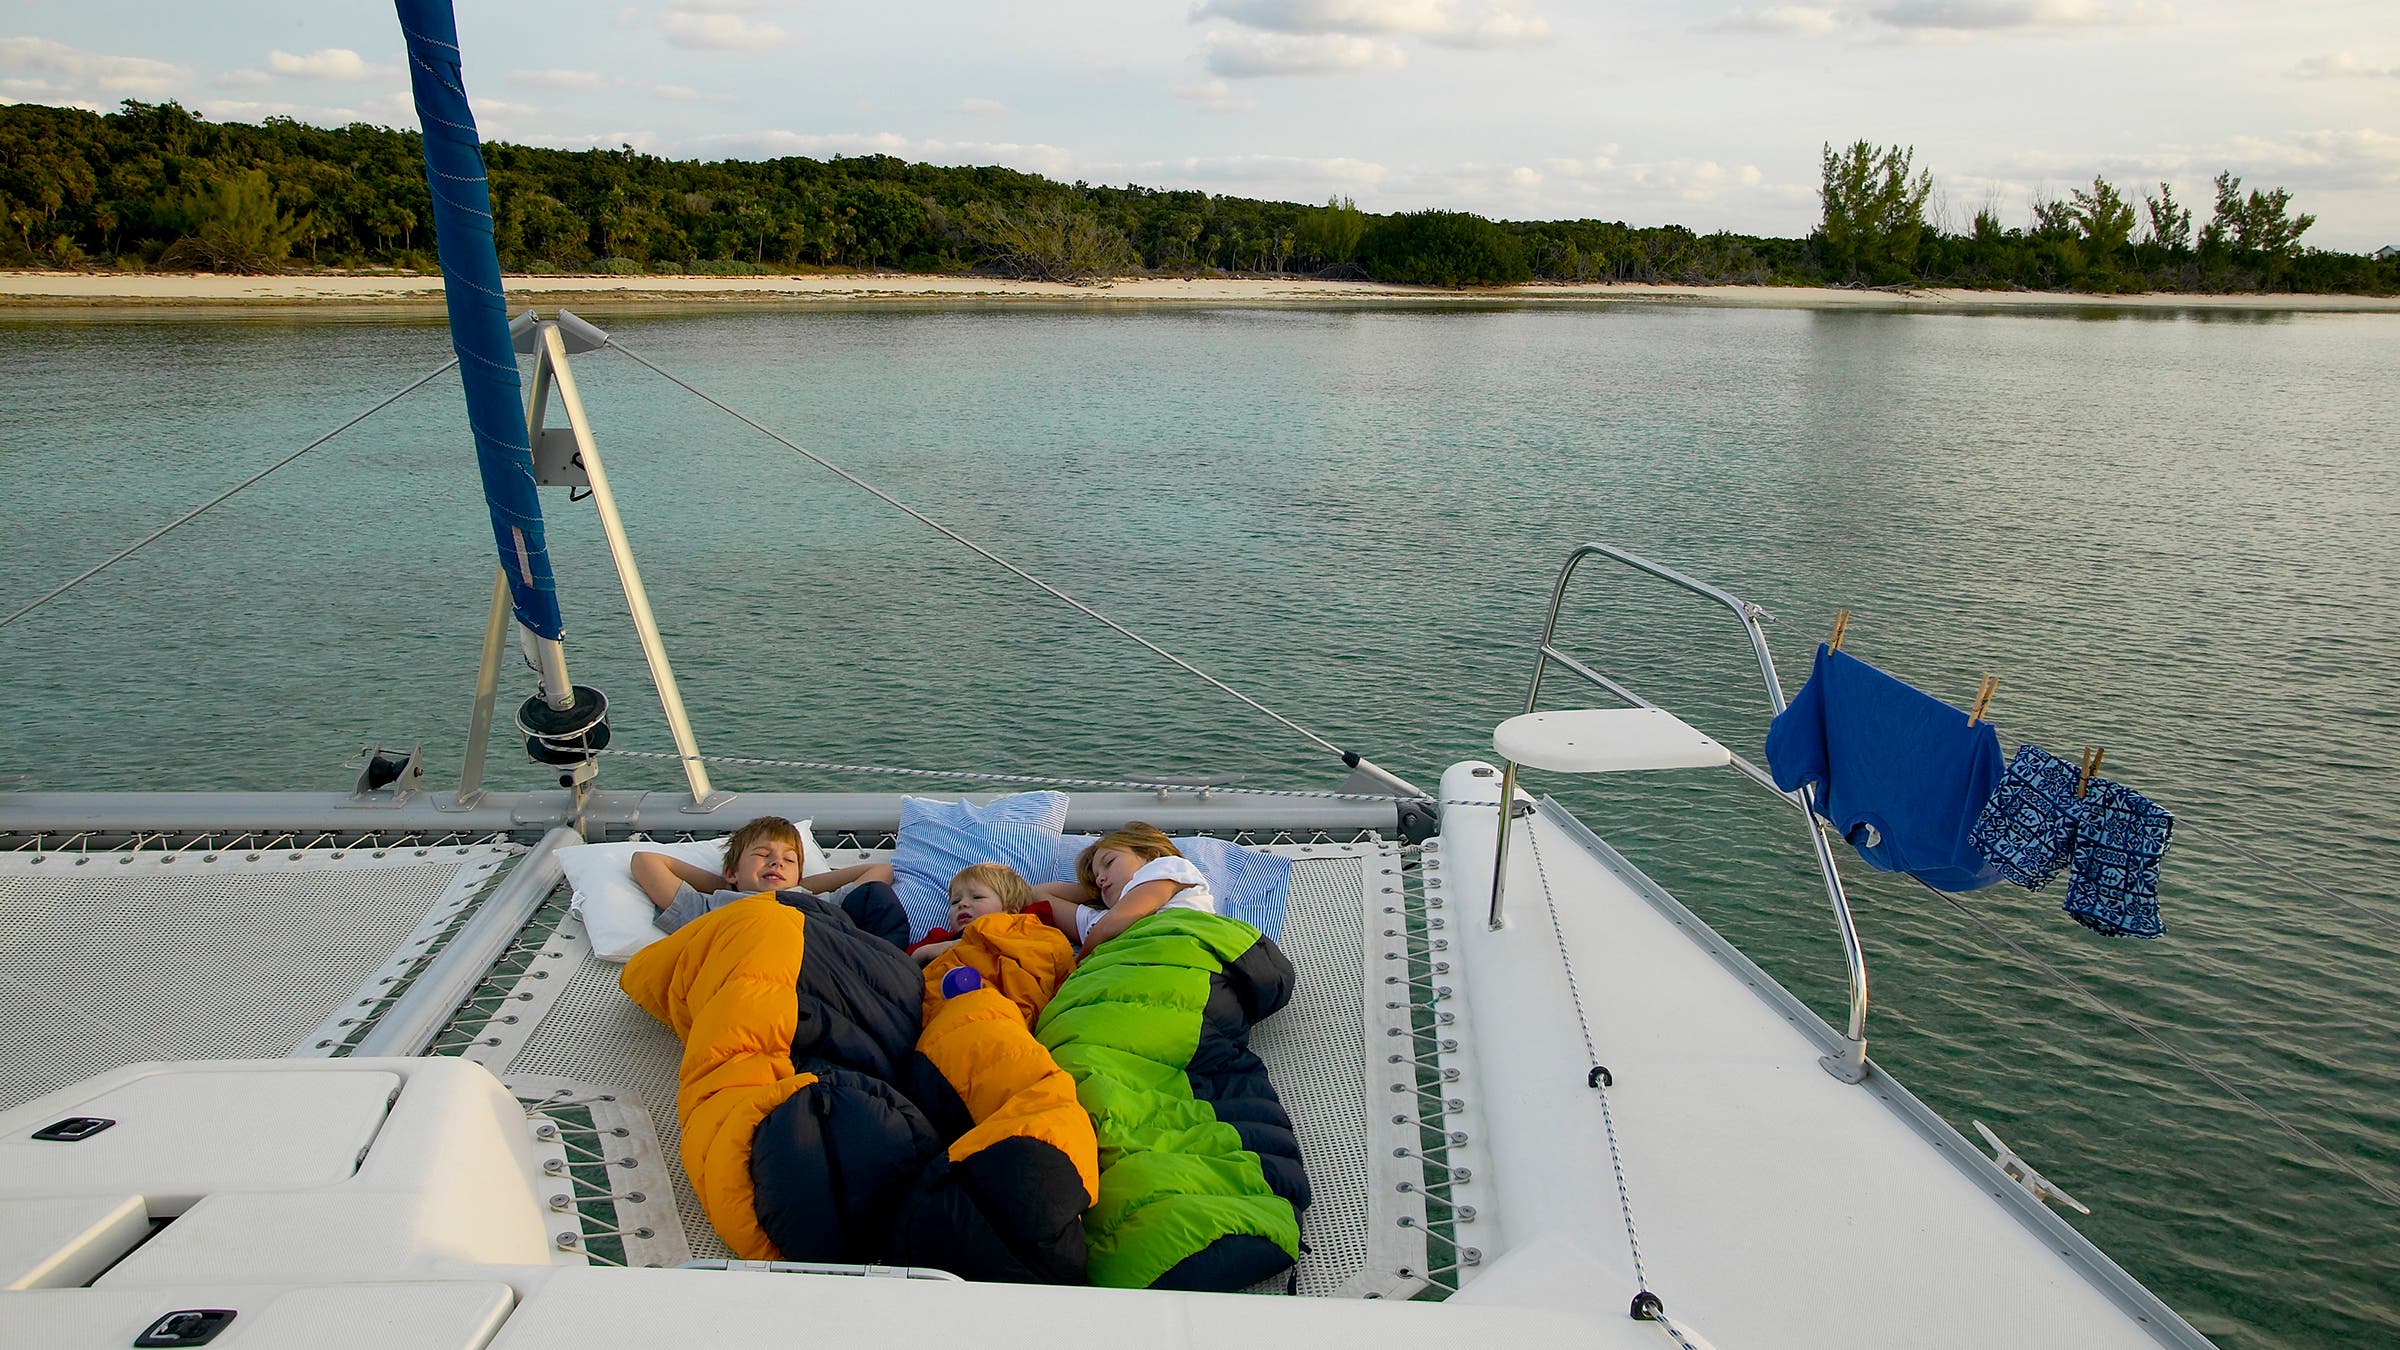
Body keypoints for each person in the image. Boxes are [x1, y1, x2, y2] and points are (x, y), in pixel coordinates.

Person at [632, 815, 900, 945]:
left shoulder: (820, 901)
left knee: (879, 898)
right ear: (731, 872)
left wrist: (798, 888)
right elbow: (645, 861)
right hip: (755, 964)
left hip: (821, 959)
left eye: (789, 860)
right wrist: (729, 884)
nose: (777, 862)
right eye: (763, 855)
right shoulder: (709, 908)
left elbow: (880, 873)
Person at [1034, 821, 1214, 954]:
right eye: (1097, 877)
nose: (1100, 878)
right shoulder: (1099, 920)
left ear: (1150, 856)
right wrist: (1094, 891)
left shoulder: (1168, 867)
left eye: (1109, 862)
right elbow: (1039, 894)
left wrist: (1078, 965)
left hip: (1177, 955)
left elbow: (1113, 925)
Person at [909, 860, 1037, 962]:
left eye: (977, 897)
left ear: (1012, 911)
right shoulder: (938, 938)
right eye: (955, 901)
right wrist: (922, 954)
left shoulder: (1025, 930)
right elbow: (900, 968)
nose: (962, 904)